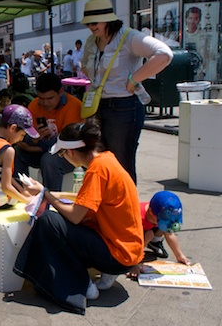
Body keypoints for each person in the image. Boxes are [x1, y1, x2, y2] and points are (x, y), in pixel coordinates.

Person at [13, 119, 144, 314]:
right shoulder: (106, 159)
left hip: (117, 253)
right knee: (59, 217)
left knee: (50, 221)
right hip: (128, 250)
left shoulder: (97, 170)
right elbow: (87, 199)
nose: (63, 157)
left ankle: (80, 284)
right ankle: (104, 273)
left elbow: (75, 216)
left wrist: (46, 194)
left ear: (71, 152)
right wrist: (51, 193)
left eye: (63, 153)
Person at [80, 0, 173, 182]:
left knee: (121, 161)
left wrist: (134, 78)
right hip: (98, 106)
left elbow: (164, 54)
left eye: (94, 22)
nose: (90, 27)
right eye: (87, 23)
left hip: (124, 107)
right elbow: (85, 66)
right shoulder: (92, 41)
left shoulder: (128, 37)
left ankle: (126, 207)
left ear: (108, 19)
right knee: (96, 159)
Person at [14, 73, 82, 191]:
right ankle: (19, 193)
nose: (45, 103)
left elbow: (66, 143)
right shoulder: (34, 105)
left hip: (70, 154)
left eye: (50, 98)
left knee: (49, 160)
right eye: (41, 99)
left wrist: (34, 146)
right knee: (16, 152)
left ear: (60, 92)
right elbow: (25, 138)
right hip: (43, 150)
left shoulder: (73, 105)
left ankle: (51, 202)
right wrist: (34, 140)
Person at [142, 190, 189, 265]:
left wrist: (180, 255)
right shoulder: (138, 216)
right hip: (135, 234)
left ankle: (154, 242)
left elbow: (170, 234)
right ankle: (138, 254)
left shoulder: (160, 213)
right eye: (163, 219)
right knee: (149, 234)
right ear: (150, 212)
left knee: (165, 227)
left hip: (150, 227)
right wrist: (134, 264)